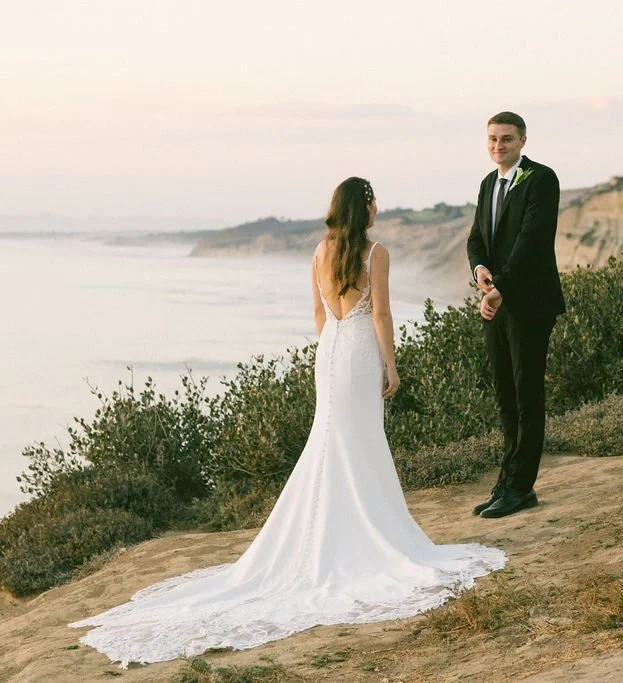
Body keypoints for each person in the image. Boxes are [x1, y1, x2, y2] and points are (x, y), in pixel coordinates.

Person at [70, 177, 505, 667]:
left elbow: (319, 315)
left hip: (331, 351)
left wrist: (333, 348)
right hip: (361, 349)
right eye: (374, 200)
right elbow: (381, 313)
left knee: (331, 439)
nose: (379, 206)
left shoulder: (321, 251)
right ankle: (362, 531)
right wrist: (391, 363)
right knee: (359, 441)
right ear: (365, 208)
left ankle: (330, 526)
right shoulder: (375, 253)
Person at [466, 112, 566, 519]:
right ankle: (507, 481)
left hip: (529, 305)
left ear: (523, 140)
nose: (498, 146)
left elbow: (532, 242)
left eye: (506, 139)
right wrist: (480, 272)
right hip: (497, 302)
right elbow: (477, 238)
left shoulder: (542, 179)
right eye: (492, 139)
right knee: (505, 396)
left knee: (527, 396)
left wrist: (501, 288)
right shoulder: (488, 183)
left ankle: (522, 488)